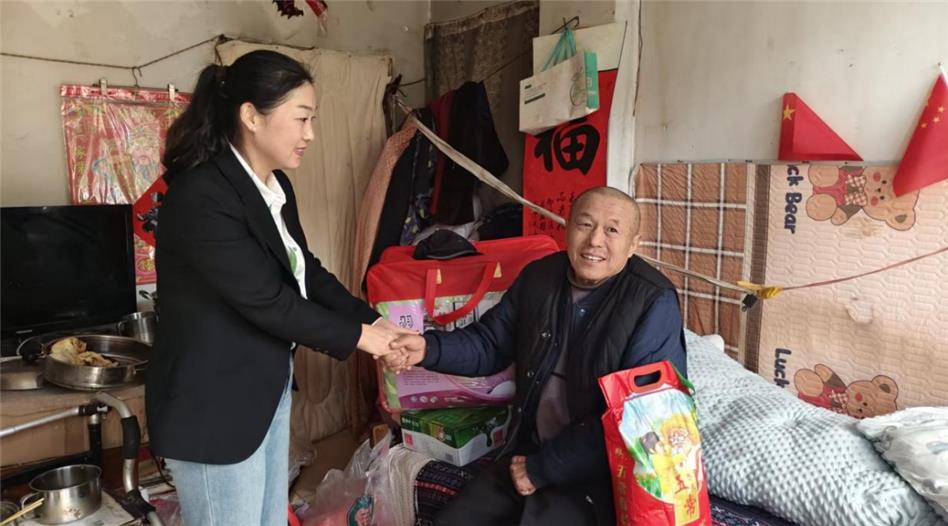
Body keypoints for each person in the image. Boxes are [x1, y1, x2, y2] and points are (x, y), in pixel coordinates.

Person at [146, 50, 407, 525]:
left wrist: (374, 321)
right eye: (301, 118)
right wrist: (365, 339)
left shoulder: (275, 187)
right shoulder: (202, 195)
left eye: (313, 120)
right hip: (214, 406)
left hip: (264, 389)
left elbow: (306, 273)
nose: (310, 134)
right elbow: (267, 300)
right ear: (251, 116)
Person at [384, 186, 687, 525]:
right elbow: (489, 344)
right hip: (527, 451)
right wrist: (428, 348)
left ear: (633, 244)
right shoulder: (540, 277)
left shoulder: (652, 300)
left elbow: (642, 417)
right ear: (567, 228)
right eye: (585, 225)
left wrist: (543, 468)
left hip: (598, 473)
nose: (595, 241)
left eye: (612, 230)